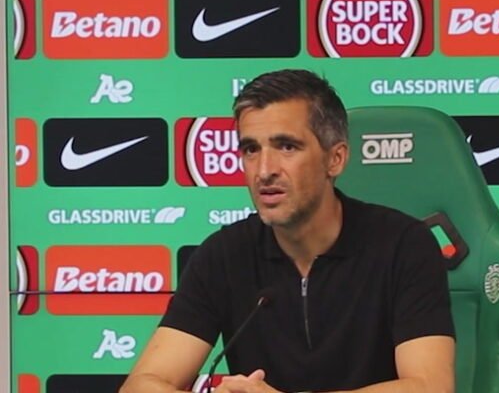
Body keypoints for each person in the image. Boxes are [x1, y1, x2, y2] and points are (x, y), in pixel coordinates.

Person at [120, 69, 455, 393]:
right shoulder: (223, 255)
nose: (264, 171)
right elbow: (140, 386)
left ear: (335, 159)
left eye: (287, 147)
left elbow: (431, 387)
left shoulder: (403, 246)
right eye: (251, 150)